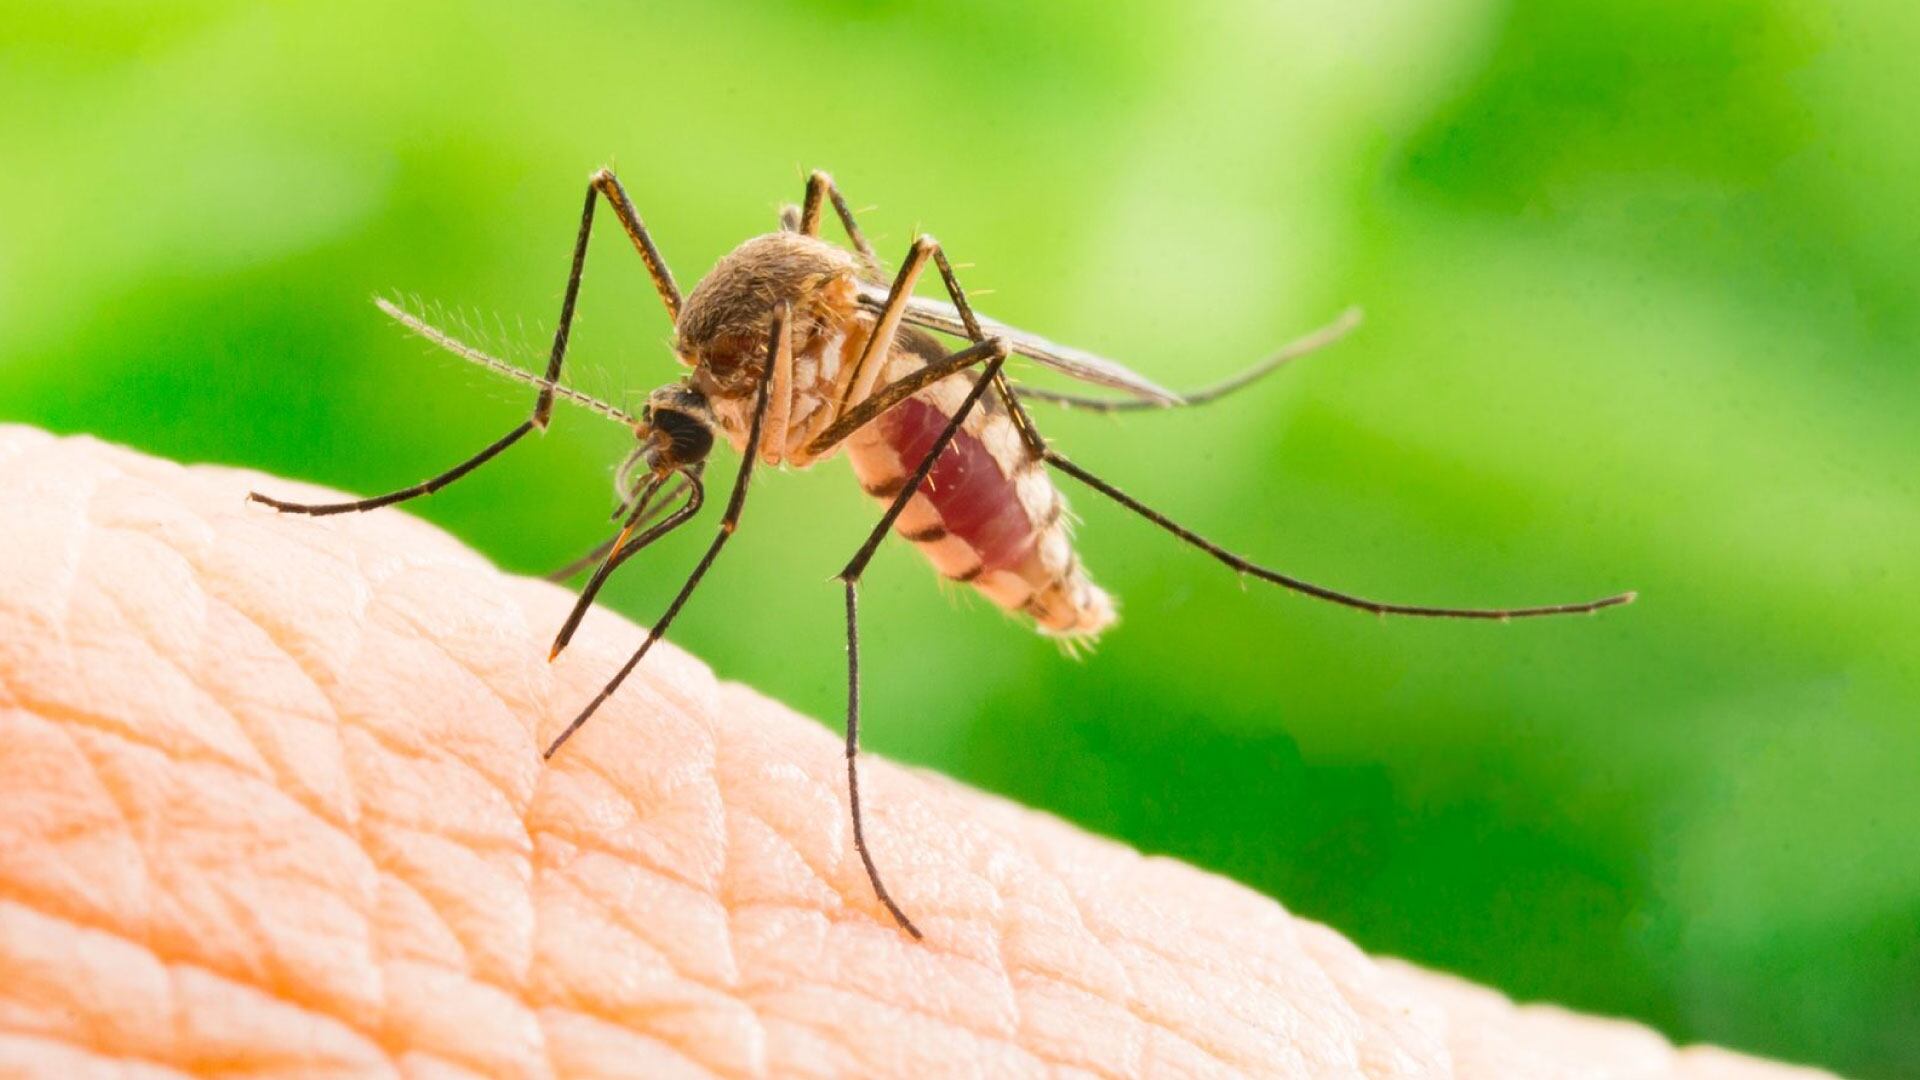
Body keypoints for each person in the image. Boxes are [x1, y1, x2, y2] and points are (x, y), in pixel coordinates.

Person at [0, 426, 1829, 1078]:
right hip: (860, 373)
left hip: (917, 396)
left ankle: (1199, 544)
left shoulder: (793, 403)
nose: (664, 480)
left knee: (864, 436)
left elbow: (789, 419)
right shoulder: (727, 384)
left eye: (667, 452)